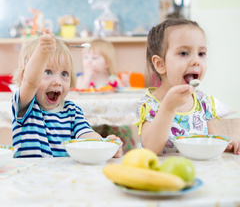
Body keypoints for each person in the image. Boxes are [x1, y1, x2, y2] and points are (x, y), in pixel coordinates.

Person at [135, 18, 240, 155]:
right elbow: (150, 148)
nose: (196, 61)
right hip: (162, 173)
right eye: (184, 53)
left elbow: (211, 140)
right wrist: (168, 108)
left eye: (201, 53)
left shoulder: (202, 101)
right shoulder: (149, 104)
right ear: (160, 64)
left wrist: (225, 145)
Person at [11, 29, 122, 158]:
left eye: (64, 74)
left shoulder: (72, 111)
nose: (57, 82)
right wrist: (42, 52)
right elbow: (30, 82)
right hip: (27, 176)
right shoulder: (25, 105)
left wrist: (105, 145)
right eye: (47, 72)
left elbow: (87, 135)